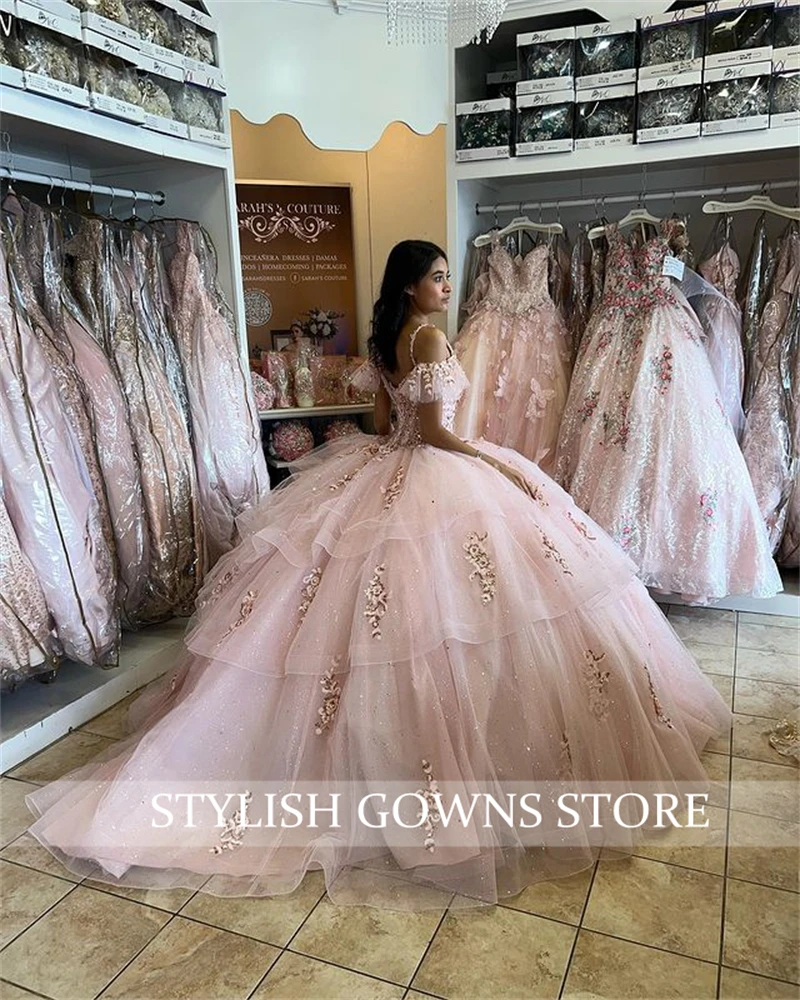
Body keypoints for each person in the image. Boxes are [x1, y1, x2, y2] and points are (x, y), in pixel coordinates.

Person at [25, 240, 732, 911]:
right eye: (437, 278)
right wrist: (488, 459)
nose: (447, 287)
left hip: (385, 464)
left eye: (449, 277)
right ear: (409, 285)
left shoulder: (392, 338)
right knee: (455, 615)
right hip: (434, 464)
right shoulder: (427, 336)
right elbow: (429, 433)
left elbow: (384, 416)